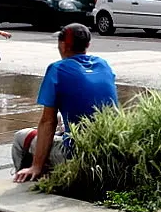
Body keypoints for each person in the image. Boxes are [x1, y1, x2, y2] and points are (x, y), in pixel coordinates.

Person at [12, 23, 118, 182]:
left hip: (77, 155)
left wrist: (37, 165)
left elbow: (48, 121)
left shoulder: (57, 69)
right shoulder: (103, 64)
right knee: (62, 121)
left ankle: (27, 179)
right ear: (88, 45)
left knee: (21, 137)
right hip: (109, 150)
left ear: (62, 44)